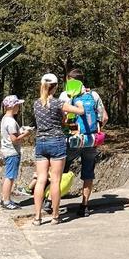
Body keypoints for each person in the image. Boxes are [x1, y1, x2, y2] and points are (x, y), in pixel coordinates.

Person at [31, 73, 88, 225]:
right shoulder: (58, 103)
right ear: (55, 87)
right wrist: (80, 104)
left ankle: (37, 217)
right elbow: (79, 112)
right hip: (56, 141)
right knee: (55, 181)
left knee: (41, 180)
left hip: (40, 142)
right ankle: (55, 216)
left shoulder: (36, 103)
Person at [60, 69, 108, 217]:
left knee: (60, 170)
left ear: (70, 80)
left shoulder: (66, 95)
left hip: (73, 140)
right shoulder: (93, 95)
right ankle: (84, 206)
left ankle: (50, 200)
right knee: (88, 174)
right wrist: (96, 129)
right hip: (91, 140)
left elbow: (63, 118)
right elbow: (104, 117)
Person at [0, 95, 33, 209]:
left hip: (7, 150)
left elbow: (11, 135)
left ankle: (5, 198)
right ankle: (7, 201)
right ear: (13, 106)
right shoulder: (11, 122)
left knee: (9, 175)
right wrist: (26, 134)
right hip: (12, 152)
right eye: (17, 105)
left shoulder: (5, 119)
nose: (19, 107)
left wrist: (20, 131)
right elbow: (14, 139)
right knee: (10, 177)